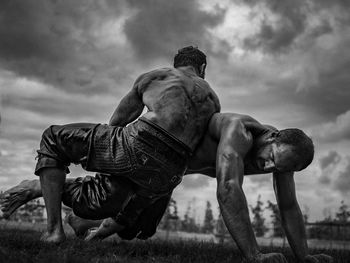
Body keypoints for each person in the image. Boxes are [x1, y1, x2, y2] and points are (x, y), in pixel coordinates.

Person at [1, 113, 332, 262]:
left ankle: (83, 226)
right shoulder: (239, 131)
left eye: (281, 168)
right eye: (272, 159)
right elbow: (229, 190)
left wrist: (304, 256)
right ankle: (37, 186)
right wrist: (255, 256)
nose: (269, 167)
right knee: (99, 202)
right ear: (272, 137)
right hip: (150, 158)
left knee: (137, 231)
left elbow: (288, 206)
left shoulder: (284, 156)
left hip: (167, 178)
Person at [0, 46, 221, 243]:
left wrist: (113, 163)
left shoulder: (159, 76)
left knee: (53, 137)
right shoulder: (213, 100)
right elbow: (201, 146)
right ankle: (45, 193)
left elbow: (117, 122)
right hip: (171, 172)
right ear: (202, 68)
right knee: (100, 203)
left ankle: (53, 231)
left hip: (141, 143)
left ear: (177, 66)